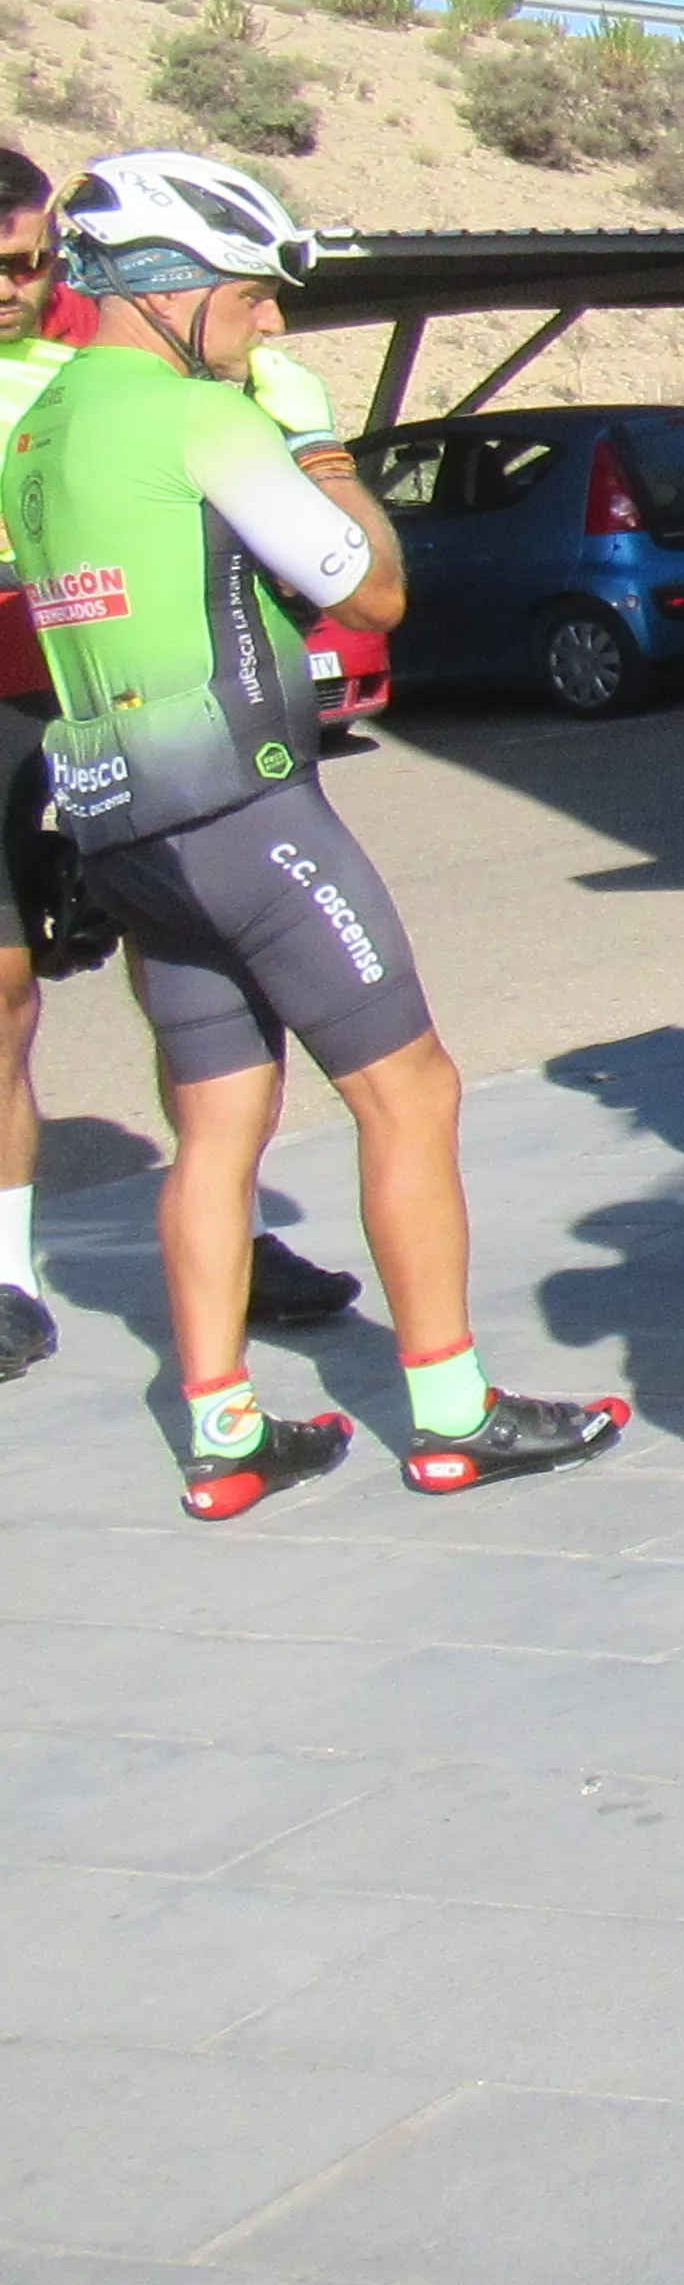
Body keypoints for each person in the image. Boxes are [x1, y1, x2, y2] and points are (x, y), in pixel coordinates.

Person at [3, 154, 628, 1520]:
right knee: (414, 1093)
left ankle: (223, 1433)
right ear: (165, 289)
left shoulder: (36, 427)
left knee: (216, 1124)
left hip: (119, 822)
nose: (272, 322)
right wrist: (328, 462)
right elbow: (376, 594)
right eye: (249, 295)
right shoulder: (199, 415)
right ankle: (454, 1415)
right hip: (246, 811)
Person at [0, 145, 364, 1379]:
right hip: (37, 710)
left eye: (33, 263)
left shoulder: (101, 351)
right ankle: (9, 1274)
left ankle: (234, 1257)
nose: (17, 287)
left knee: (188, 986)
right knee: (7, 993)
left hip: (101, 705)